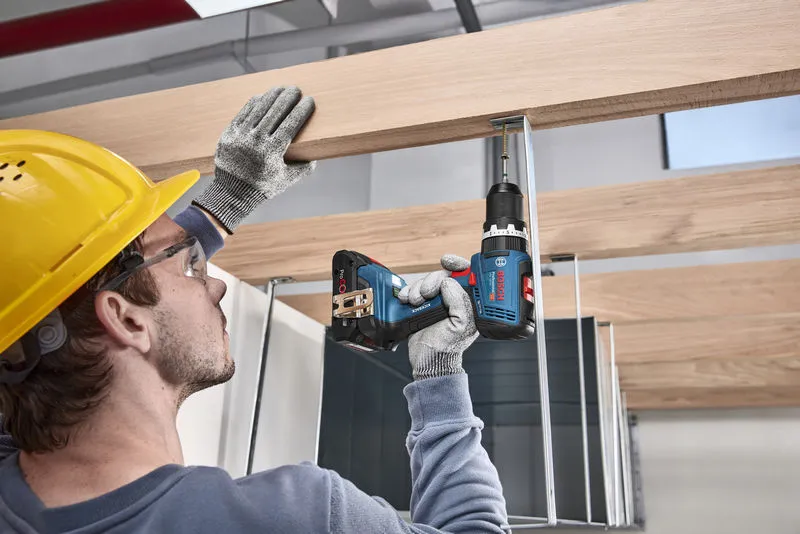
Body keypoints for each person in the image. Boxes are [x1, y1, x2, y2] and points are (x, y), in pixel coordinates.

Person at [0, 86, 508, 533]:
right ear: (126, 319)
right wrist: (439, 375)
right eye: (194, 271)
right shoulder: (299, 518)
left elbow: (53, 307)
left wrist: (227, 202)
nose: (216, 287)